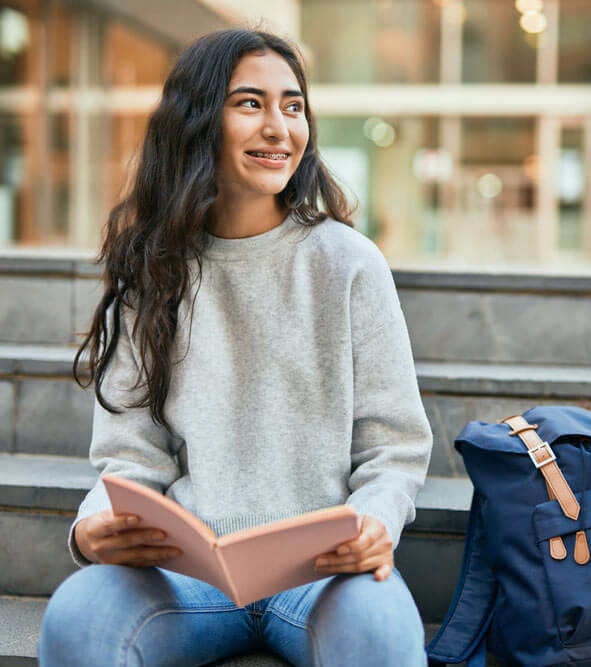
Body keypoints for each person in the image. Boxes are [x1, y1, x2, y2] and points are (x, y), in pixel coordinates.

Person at [38, 28, 433, 667]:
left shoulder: (349, 263)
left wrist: (375, 525)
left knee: (380, 638)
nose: (279, 126)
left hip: (321, 573)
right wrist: (93, 529)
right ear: (197, 122)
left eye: (293, 105)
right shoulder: (154, 271)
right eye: (250, 103)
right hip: (186, 574)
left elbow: (394, 449)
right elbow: (129, 459)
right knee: (79, 620)